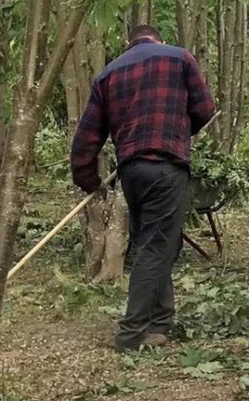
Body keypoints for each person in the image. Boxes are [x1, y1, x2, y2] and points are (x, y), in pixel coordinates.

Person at [71, 25, 215, 351]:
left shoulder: (108, 74)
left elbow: (86, 138)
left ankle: (161, 321)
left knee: (154, 244)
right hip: (167, 168)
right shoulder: (179, 58)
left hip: (132, 172)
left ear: (128, 43)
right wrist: (177, 132)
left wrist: (88, 179)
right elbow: (205, 109)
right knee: (156, 247)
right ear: (158, 39)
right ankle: (131, 332)